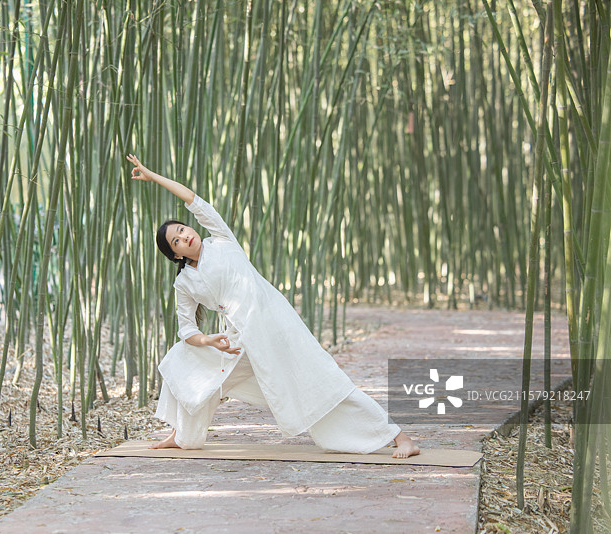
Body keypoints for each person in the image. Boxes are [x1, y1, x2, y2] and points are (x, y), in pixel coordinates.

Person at [126, 154, 420, 459]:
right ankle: (182, 436)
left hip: (275, 326)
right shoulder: (184, 283)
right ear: (175, 256)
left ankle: (400, 438)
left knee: (322, 379)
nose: (185, 236)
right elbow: (186, 328)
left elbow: (192, 198)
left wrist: (153, 175)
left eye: (182, 230)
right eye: (176, 241)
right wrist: (209, 340)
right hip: (239, 339)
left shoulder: (222, 240)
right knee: (185, 361)